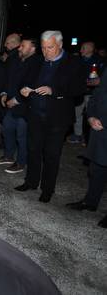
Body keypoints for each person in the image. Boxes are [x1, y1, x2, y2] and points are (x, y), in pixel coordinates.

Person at [16, 30, 87, 202]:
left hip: (57, 118)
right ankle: (31, 181)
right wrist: (24, 89)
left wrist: (53, 91)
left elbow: (78, 89)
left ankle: (47, 189)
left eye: (50, 47)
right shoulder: (38, 61)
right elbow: (24, 80)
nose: (46, 51)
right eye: (43, 47)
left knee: (51, 154)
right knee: (33, 150)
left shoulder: (73, 63)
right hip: (35, 114)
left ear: (60, 45)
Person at [0, 37, 41, 173]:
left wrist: (16, 100)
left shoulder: (37, 63)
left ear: (32, 48)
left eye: (23, 46)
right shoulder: (15, 60)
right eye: (20, 46)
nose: (19, 48)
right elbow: (7, 78)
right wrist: (3, 93)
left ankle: (21, 162)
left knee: (22, 135)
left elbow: (32, 84)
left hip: (26, 106)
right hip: (10, 104)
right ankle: (8, 156)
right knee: (7, 129)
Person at [66, 69, 107, 227]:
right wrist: (90, 117)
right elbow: (96, 96)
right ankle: (90, 202)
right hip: (99, 130)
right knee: (96, 169)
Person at [68, 41, 103, 144]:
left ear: (90, 49)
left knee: (92, 115)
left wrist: (97, 81)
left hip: (92, 93)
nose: (80, 50)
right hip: (79, 92)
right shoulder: (77, 60)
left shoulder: (99, 60)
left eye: (83, 48)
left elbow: (101, 78)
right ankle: (78, 135)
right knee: (77, 114)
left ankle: (91, 139)